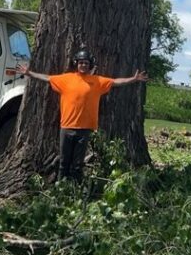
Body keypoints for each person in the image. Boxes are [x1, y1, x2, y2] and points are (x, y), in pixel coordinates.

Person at [17, 46, 147, 181]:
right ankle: (61, 188)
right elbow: (48, 78)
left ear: (90, 65)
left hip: (84, 128)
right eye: (80, 62)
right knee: (63, 162)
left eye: (86, 63)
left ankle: (76, 189)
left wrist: (133, 79)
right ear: (76, 64)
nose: (83, 65)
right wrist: (29, 73)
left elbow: (115, 82)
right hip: (67, 127)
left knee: (78, 164)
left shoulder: (97, 81)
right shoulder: (66, 79)